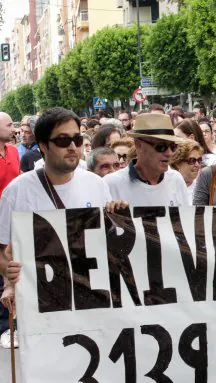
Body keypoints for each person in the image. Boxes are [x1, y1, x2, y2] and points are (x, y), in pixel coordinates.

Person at [0, 107, 127, 348]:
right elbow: (1, 247)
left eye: (77, 139)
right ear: (43, 146)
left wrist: (122, 219)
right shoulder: (17, 191)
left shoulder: (96, 185)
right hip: (41, 309)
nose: (73, 147)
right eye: (62, 140)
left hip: (92, 301)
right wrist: (11, 275)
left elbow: (110, 244)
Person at [104, 113, 189, 206]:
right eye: (161, 147)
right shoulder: (111, 184)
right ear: (139, 145)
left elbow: (187, 219)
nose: (169, 153)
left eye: (173, 146)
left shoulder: (176, 179)